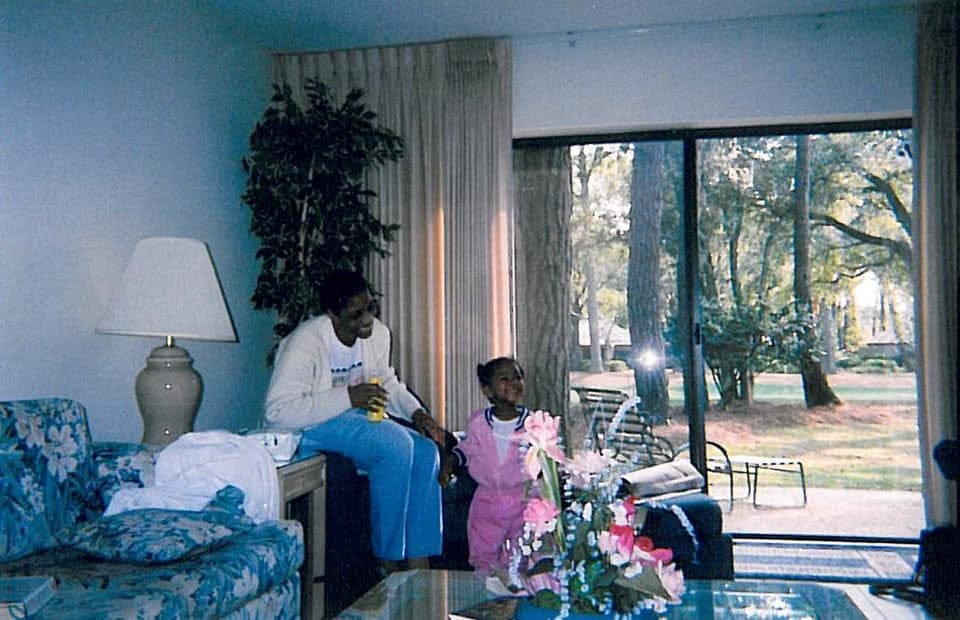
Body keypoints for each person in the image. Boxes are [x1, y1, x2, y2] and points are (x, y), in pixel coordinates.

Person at [264, 269, 446, 571]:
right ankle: (387, 561)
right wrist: (349, 396)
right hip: (307, 425)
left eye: (370, 308)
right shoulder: (306, 342)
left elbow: (387, 383)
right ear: (332, 313)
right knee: (395, 446)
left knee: (426, 452)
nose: (367, 319)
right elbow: (278, 412)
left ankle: (419, 560)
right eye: (356, 314)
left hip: (351, 417)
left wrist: (418, 413)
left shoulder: (378, 335)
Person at [450, 356, 531, 574]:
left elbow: (544, 458)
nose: (513, 383)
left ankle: (517, 587)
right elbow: (468, 449)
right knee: (483, 554)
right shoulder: (478, 422)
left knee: (521, 555)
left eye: (517, 377)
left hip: (522, 500)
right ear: (488, 390)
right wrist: (452, 461)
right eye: (504, 379)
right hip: (487, 501)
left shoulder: (533, 424)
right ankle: (484, 587)